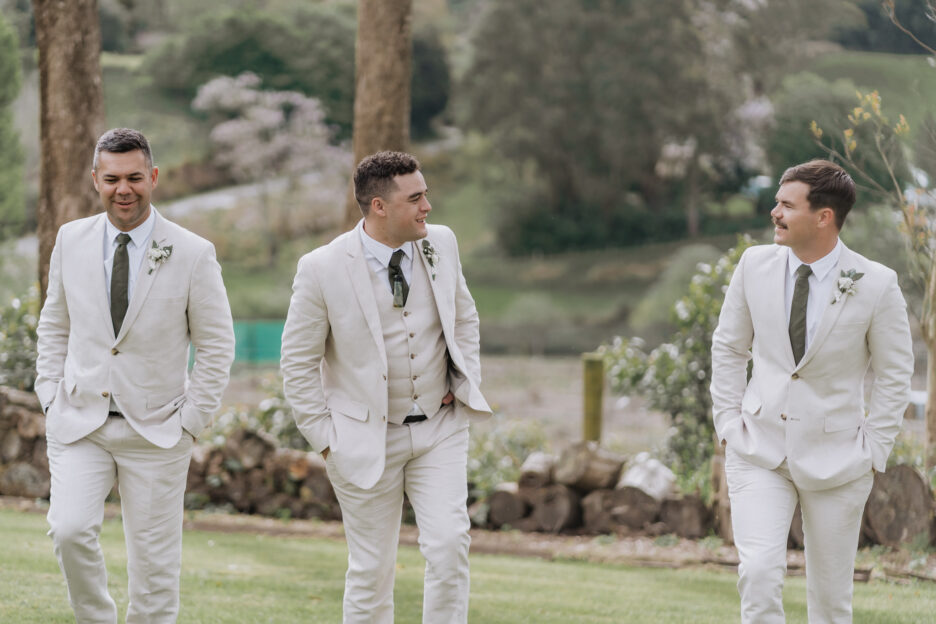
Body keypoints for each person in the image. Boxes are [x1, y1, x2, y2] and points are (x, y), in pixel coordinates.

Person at [35, 127, 235, 623]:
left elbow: (216, 345)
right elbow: (54, 324)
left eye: (134, 178)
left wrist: (192, 420)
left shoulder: (193, 252)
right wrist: (48, 394)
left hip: (159, 430)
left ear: (154, 177)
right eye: (111, 179)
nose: (123, 189)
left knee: (155, 568)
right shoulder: (71, 239)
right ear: (95, 181)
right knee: (68, 529)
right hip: (80, 422)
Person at [281, 151, 491, 623]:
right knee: (371, 569)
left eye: (426, 195)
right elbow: (297, 362)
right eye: (415, 198)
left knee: (450, 545)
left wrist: (464, 378)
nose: (427, 208)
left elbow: (466, 316)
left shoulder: (443, 243)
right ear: (379, 206)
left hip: (440, 427)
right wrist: (326, 440)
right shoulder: (321, 268)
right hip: (361, 436)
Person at [710, 159, 914, 623]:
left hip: (840, 459)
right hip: (758, 448)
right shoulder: (753, 266)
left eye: (786, 205)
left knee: (830, 601)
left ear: (824, 217)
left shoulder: (877, 285)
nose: (774, 213)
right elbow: (728, 348)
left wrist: (874, 447)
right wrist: (727, 421)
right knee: (759, 575)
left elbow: (896, 372)